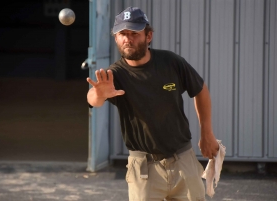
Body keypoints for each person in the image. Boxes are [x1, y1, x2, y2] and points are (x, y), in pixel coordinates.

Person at [86, 6, 219, 201]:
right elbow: (93, 100)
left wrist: (207, 133)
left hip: (183, 160)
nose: (127, 39)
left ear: (148, 36)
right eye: (122, 33)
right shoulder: (114, 75)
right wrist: (99, 94)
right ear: (116, 38)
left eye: (134, 33)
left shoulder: (171, 62)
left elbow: (200, 90)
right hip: (144, 169)